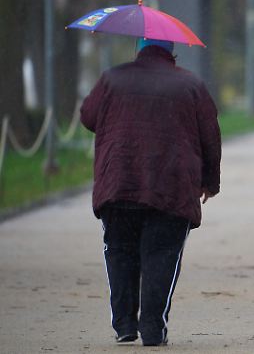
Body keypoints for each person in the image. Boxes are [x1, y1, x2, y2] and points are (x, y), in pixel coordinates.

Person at [80, 38, 221, 346]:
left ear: (138, 49)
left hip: (118, 182)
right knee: (163, 254)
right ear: (171, 51)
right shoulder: (190, 84)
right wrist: (210, 182)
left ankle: (125, 325)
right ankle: (153, 328)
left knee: (119, 253)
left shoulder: (113, 78)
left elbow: (88, 117)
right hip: (171, 186)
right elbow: (210, 136)